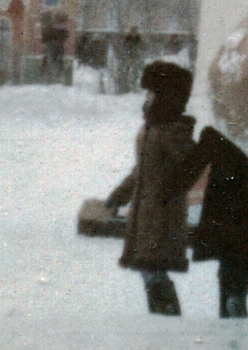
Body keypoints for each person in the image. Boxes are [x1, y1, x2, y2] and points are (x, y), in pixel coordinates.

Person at [105, 61, 201, 316]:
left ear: (166, 96)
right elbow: (141, 170)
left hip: (161, 218)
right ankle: (163, 322)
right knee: (149, 271)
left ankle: (167, 325)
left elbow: (193, 165)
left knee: (153, 271)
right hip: (146, 216)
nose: (146, 98)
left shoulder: (171, 130)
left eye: (152, 93)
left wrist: (167, 193)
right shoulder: (152, 127)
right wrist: (119, 195)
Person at [191, 125, 248, 319]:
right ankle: (236, 304)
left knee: (228, 271)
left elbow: (191, 168)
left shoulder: (216, 132)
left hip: (223, 216)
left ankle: (231, 313)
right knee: (243, 268)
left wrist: (164, 192)